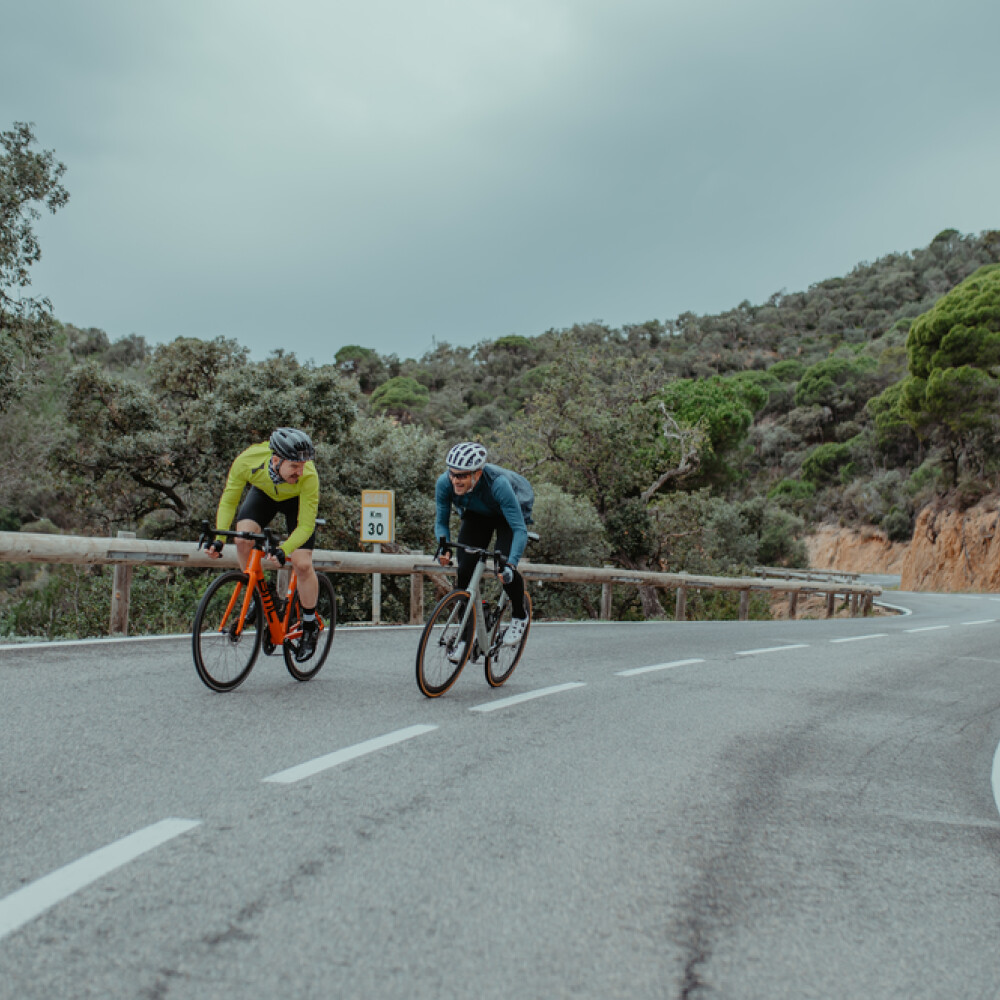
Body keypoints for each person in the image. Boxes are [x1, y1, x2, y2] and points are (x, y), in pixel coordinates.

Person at [207, 427, 321, 661]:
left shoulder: (308, 476)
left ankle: (309, 624)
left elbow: (306, 527)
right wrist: (219, 540)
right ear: (276, 459)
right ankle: (260, 597)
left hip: (295, 502)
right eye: (294, 466)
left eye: (303, 465)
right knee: (241, 539)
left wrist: (284, 550)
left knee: (301, 563)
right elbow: (229, 500)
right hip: (265, 494)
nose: (301, 471)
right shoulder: (247, 460)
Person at [434, 442, 534, 656]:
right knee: (464, 572)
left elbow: (519, 529)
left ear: (477, 474)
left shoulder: (498, 485)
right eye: (452, 474)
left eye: (461, 476)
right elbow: (441, 521)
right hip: (477, 514)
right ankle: (465, 635)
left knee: (503, 568)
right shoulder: (444, 483)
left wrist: (511, 563)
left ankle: (519, 615)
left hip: (508, 514)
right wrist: (444, 547)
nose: (455, 480)